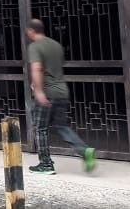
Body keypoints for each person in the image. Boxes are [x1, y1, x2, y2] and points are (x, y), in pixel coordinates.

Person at [25, 18, 96, 175]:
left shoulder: (35, 47)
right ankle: (84, 151)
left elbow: (37, 68)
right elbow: (55, 68)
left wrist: (38, 91)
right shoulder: (56, 45)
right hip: (62, 91)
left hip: (48, 93)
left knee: (40, 128)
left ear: (31, 31)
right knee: (61, 126)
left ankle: (46, 164)